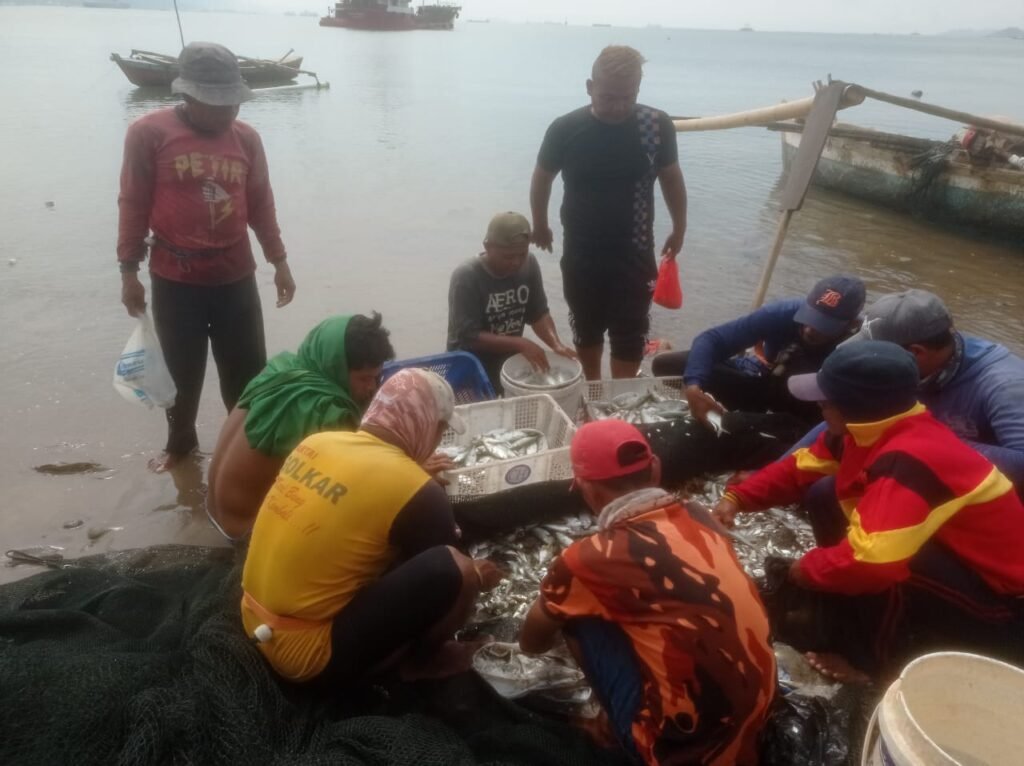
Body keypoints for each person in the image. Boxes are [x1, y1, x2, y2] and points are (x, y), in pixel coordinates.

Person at [713, 341, 1024, 682]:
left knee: (892, 561)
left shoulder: (910, 458)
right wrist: (737, 499)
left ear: (853, 408)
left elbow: (873, 563)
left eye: (825, 401)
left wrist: (807, 569)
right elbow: (798, 468)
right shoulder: (867, 432)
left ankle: (869, 664)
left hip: (1003, 604)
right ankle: (853, 607)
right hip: (958, 561)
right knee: (826, 493)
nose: (819, 407)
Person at [520, 420, 776, 766]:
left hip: (677, 753)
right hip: (755, 720)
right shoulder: (699, 515)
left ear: (588, 490)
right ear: (654, 469)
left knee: (574, 616)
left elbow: (531, 642)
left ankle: (613, 726)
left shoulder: (587, 559)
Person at [240, 368, 501, 686]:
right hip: (307, 657)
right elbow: (443, 572)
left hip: (253, 619)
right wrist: (478, 574)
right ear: (428, 427)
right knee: (460, 570)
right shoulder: (417, 488)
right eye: (441, 432)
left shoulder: (319, 442)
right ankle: (422, 662)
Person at [117, 42, 296, 472]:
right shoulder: (148, 133)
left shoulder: (247, 139)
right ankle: (180, 447)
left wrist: (279, 261)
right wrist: (128, 272)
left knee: (247, 372)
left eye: (232, 103)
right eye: (216, 104)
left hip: (235, 275)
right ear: (188, 95)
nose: (226, 112)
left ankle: (248, 450)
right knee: (182, 373)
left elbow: (261, 205)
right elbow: (132, 203)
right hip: (175, 278)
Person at [530, 45, 687, 381]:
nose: (618, 106)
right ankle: (592, 388)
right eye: (608, 97)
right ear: (590, 87)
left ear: (639, 90)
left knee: (630, 331)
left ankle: (622, 398)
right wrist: (539, 224)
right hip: (581, 250)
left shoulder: (656, 126)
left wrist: (679, 226)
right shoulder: (565, 128)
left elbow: (671, 178)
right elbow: (542, 176)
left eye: (627, 97)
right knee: (586, 326)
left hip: (634, 250)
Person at [207, 314, 395, 541]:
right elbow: (359, 486)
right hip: (247, 534)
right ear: (336, 366)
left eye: (376, 377)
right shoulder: (324, 410)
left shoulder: (280, 368)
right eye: (364, 379)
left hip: (214, 516)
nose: (373, 388)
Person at [843, 289, 1024, 492]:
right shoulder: (915, 362)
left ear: (915, 352)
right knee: (827, 491)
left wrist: (932, 442)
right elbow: (847, 418)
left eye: (875, 352)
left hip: (989, 495)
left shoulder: (1005, 384)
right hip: (931, 470)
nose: (869, 359)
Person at [652, 275, 865, 427]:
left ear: (851, 324)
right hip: (764, 383)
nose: (810, 329)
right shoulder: (782, 312)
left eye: (823, 325)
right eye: (810, 316)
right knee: (668, 364)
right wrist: (693, 386)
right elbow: (712, 339)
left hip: (807, 409)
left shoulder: (859, 345)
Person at [447, 211, 576, 392]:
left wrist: (555, 343)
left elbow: (538, 313)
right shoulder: (467, 276)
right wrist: (520, 343)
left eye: (521, 254)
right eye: (508, 257)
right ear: (487, 246)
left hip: (508, 362)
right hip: (470, 364)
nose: (516, 262)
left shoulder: (529, 264)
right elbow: (468, 336)